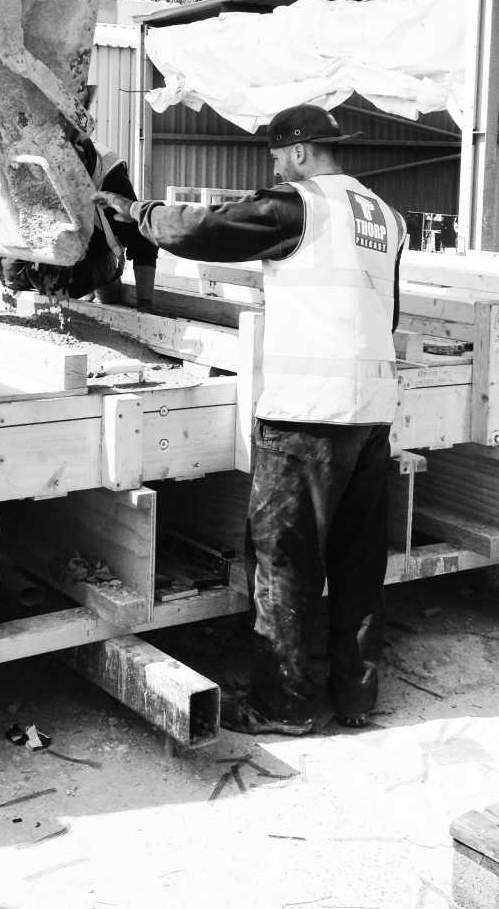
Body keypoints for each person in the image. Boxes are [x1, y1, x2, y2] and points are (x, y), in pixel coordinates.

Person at [95, 103, 406, 735]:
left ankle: (284, 706)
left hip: (307, 416)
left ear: (297, 153)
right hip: (371, 414)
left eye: (274, 154)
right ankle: (355, 697)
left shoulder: (300, 205)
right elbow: (387, 312)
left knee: (284, 565)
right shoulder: (385, 216)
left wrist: (138, 212)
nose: (273, 165)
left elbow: (201, 230)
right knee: (356, 563)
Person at [0, 130, 157, 309]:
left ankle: (106, 275)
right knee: (9, 273)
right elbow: (0, 216)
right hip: (47, 233)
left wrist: (145, 304)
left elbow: (141, 241)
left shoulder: (108, 173)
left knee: (62, 284)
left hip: (90, 239)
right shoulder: (24, 163)